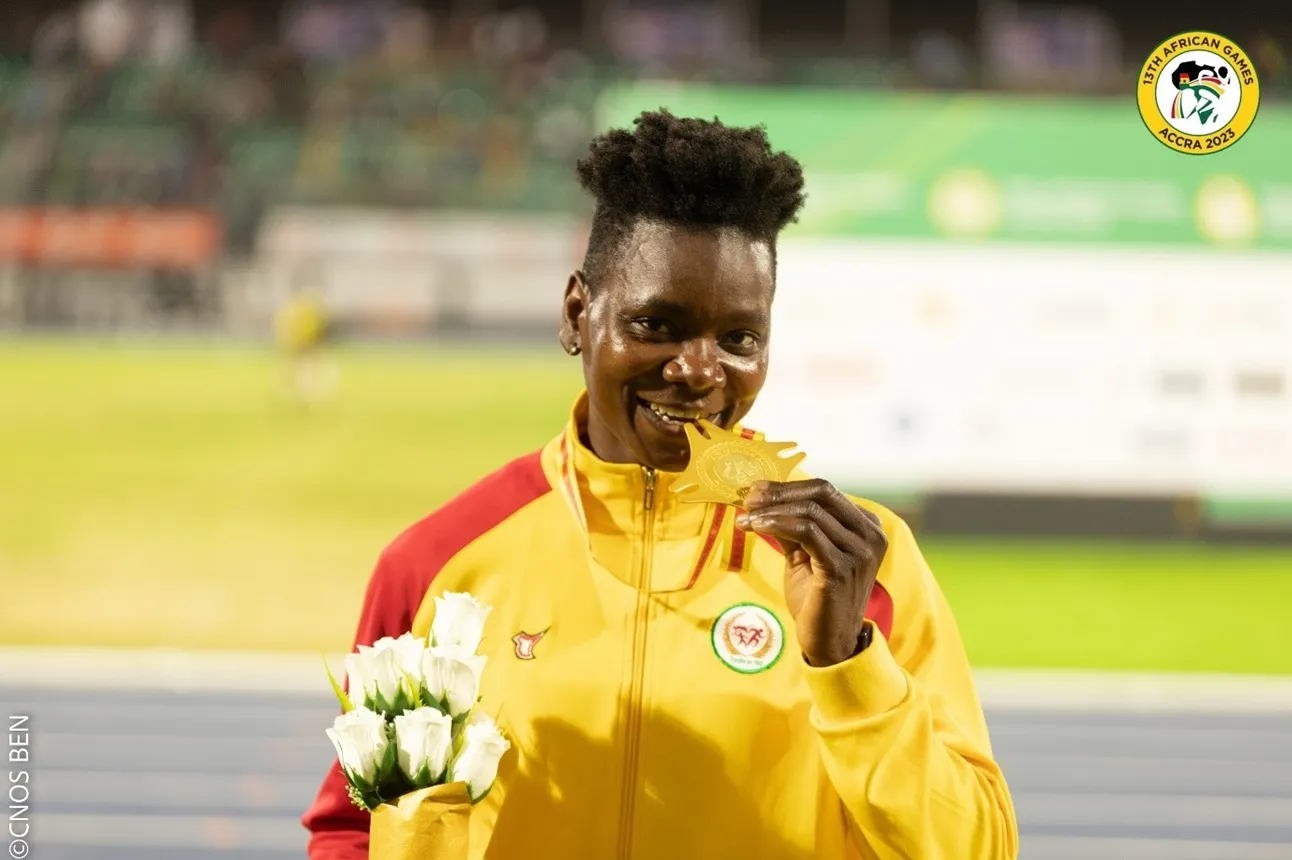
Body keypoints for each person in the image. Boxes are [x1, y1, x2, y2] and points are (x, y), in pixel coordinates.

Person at [303, 109, 1018, 859]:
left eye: (739, 338)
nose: (699, 371)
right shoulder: (439, 563)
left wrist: (846, 662)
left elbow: (978, 849)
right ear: (578, 314)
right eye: (656, 325)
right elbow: (354, 829)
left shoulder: (858, 565)